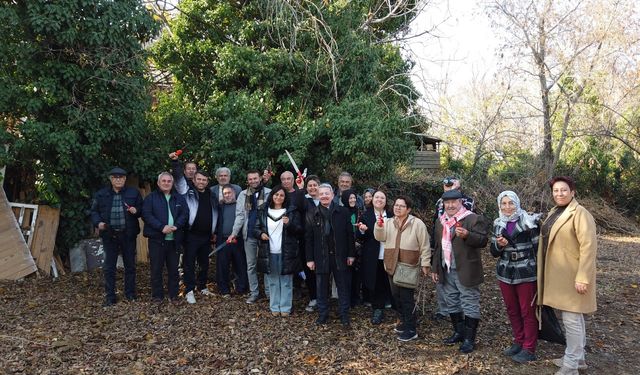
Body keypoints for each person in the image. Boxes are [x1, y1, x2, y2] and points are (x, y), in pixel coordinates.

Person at [537, 176, 597, 375]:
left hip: (573, 275)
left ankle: (570, 366)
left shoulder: (580, 213)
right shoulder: (556, 211)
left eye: (563, 190)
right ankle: (578, 358)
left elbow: (588, 247)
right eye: (555, 190)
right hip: (559, 274)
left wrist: (583, 277)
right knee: (573, 317)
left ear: (572, 192)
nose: (559, 194)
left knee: (571, 319)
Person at [431, 190, 488, 353]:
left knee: (469, 303)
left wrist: (468, 235)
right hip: (446, 268)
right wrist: (435, 267)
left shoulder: (472, 218)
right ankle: (459, 332)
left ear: (460, 202)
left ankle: (469, 339)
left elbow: (483, 241)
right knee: (451, 301)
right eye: (446, 203)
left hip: (466, 269)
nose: (450, 205)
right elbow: (437, 247)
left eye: (453, 202)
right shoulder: (440, 221)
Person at [490, 191, 540, 363]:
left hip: (526, 271)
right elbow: (493, 252)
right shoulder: (498, 223)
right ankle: (518, 341)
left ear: (517, 204)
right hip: (505, 272)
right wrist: (499, 244)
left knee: (527, 310)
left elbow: (538, 249)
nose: (507, 207)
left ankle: (529, 348)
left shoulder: (529, 222)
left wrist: (540, 274)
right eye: (503, 203)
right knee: (512, 309)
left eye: (511, 203)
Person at [373, 196, 430, 341]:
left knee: (406, 298)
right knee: (396, 296)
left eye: (402, 206)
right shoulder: (389, 222)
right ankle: (404, 321)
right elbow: (380, 237)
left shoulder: (417, 224)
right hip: (392, 263)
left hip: (408, 265)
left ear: (408, 209)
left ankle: (411, 329)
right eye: (396, 205)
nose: (397, 208)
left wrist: (425, 263)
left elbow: (424, 245)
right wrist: (379, 226)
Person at [90, 167, 143, 307]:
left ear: (125, 179)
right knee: (109, 267)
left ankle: (130, 294)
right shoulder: (101, 194)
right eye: (115, 177)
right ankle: (110, 296)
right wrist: (98, 223)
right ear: (110, 179)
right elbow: (94, 211)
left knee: (130, 265)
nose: (118, 180)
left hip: (128, 234)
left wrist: (136, 210)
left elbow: (142, 209)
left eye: (121, 177)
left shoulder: (133, 193)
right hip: (109, 235)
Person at [305, 183, 355, 328]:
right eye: (321, 194)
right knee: (321, 288)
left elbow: (349, 235)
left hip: (340, 256)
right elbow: (308, 239)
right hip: (321, 256)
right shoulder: (311, 214)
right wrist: (309, 259)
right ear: (318, 196)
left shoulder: (343, 212)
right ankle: (322, 314)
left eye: (327, 193)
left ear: (332, 195)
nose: (324, 196)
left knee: (343, 287)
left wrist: (351, 255)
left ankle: (344, 314)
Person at [430, 176, 476, 321]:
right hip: (443, 244)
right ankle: (445, 310)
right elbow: (436, 221)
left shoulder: (466, 200)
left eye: (452, 184)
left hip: (460, 247)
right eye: (446, 185)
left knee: (463, 287)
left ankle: (464, 315)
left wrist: (455, 193)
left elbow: (466, 215)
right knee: (443, 283)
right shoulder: (440, 202)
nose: (448, 186)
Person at [254, 185, 302, 316]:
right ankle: (274, 307)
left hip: (286, 252)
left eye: (281, 195)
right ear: (272, 195)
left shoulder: (291, 211)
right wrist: (260, 234)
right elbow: (255, 228)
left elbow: (299, 230)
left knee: (286, 281)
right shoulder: (263, 210)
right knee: (273, 281)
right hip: (269, 251)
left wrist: (289, 224)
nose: (278, 197)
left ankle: (285, 307)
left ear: (285, 197)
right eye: (276, 195)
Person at [142, 172, 189, 303]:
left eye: (169, 181)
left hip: (174, 239)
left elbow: (185, 214)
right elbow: (146, 215)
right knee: (156, 269)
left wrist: (177, 226)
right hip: (157, 240)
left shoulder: (178, 198)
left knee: (174, 269)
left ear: (172, 183)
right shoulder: (151, 198)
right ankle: (157, 295)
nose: (166, 183)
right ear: (158, 183)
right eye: (164, 181)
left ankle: (174, 295)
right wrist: (161, 227)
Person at [175, 168, 218, 304]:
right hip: (191, 235)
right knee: (189, 263)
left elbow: (216, 214)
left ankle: (202, 286)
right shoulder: (188, 192)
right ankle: (189, 290)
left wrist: (214, 232)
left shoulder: (211, 195)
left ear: (207, 182)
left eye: (204, 180)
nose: (201, 182)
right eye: (199, 179)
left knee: (204, 263)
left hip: (206, 236)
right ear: (194, 180)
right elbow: (178, 179)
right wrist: (175, 163)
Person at [228, 170, 272, 304]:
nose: (253, 181)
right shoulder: (243, 194)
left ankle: (270, 293)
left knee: (266, 264)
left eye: (255, 178)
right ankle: (254, 293)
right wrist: (234, 233)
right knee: (251, 265)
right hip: (250, 234)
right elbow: (240, 215)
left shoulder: (269, 193)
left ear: (260, 178)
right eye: (250, 179)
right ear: (248, 181)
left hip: (265, 234)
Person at [357, 190, 393, 325]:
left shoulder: (391, 215)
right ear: (372, 200)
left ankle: (392, 303)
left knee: (389, 280)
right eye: (376, 197)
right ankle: (378, 309)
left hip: (390, 254)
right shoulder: (365, 215)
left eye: (382, 197)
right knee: (377, 281)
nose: (379, 199)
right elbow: (359, 237)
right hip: (373, 254)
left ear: (386, 200)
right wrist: (362, 230)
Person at [215, 185, 248, 297]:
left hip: (238, 240)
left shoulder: (240, 205)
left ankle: (241, 289)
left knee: (240, 265)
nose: (227, 195)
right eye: (225, 193)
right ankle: (224, 290)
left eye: (229, 193)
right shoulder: (220, 207)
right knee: (222, 266)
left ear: (234, 194)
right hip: (223, 240)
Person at [301, 175, 321, 311]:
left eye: (315, 185)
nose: (313, 188)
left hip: (324, 243)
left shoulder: (325, 200)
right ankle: (313, 297)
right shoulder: (303, 201)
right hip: (307, 242)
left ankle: (323, 298)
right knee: (310, 271)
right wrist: (301, 189)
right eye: (310, 186)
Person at [341, 189, 364, 307]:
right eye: (350, 198)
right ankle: (347, 299)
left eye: (354, 197)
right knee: (347, 275)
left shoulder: (359, 212)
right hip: (346, 247)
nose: (353, 200)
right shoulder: (341, 212)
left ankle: (356, 298)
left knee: (357, 275)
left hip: (358, 247)